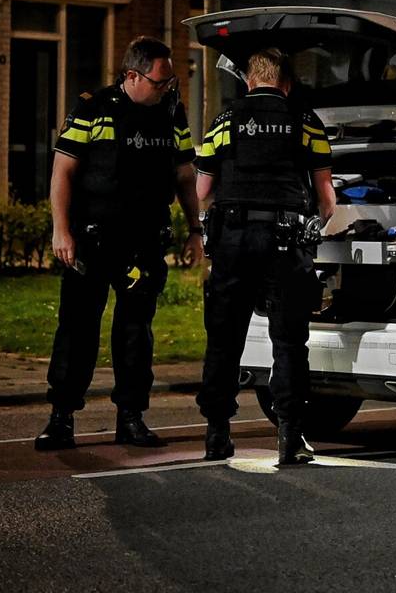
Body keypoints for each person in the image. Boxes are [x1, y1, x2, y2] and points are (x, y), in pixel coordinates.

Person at [35, 36, 203, 451]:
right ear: (132, 75)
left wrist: (195, 229)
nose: (167, 88)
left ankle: (131, 417)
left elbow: (185, 175)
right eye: (159, 81)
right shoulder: (93, 108)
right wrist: (61, 231)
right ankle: (62, 418)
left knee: (135, 333)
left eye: (170, 81)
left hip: (143, 243)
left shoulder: (170, 112)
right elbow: (62, 173)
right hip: (91, 242)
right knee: (77, 329)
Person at [194, 48, 335, 464]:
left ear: (250, 81)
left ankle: (217, 434)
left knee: (224, 338)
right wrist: (313, 219)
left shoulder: (224, 122)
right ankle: (290, 436)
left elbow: (201, 191)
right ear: (285, 83)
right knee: (289, 341)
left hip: (234, 241)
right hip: (285, 241)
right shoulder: (306, 122)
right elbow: (327, 199)